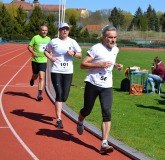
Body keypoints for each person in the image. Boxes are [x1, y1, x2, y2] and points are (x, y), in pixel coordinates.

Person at [76, 25, 123, 154]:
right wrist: (98, 64)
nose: (113, 40)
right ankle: (80, 120)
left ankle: (104, 143)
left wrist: (116, 65)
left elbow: (110, 62)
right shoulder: (96, 48)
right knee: (87, 110)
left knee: (107, 113)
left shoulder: (116, 49)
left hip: (107, 86)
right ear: (104, 37)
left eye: (115, 37)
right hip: (93, 83)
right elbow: (82, 64)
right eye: (110, 37)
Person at [44, 23, 82, 128]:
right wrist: (51, 58)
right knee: (59, 94)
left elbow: (80, 54)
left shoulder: (72, 42)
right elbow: (46, 51)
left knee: (64, 96)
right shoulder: (54, 41)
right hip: (56, 70)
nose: (65, 31)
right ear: (59, 30)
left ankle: (59, 107)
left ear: (68, 31)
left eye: (67, 29)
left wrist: (73, 53)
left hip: (68, 71)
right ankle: (59, 119)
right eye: (63, 29)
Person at [28, 24, 51, 101]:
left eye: (46, 30)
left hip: (43, 60)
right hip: (35, 60)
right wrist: (33, 52)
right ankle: (32, 79)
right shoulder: (35, 38)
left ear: (47, 31)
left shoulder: (49, 39)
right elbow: (29, 46)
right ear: (40, 31)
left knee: (42, 77)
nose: (44, 32)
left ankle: (39, 94)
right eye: (43, 30)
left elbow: (50, 49)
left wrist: (51, 56)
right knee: (35, 75)